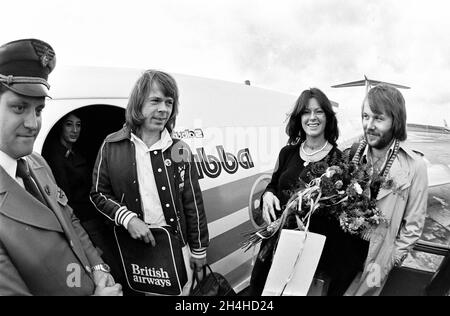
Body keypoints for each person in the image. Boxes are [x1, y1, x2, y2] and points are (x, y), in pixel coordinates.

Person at [0, 39, 122, 295]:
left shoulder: (37, 163)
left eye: (39, 109)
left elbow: (69, 221)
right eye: (19, 107)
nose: (33, 124)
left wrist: (98, 267)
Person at [90, 69, 209, 296]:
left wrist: (199, 250)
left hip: (178, 248)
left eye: (169, 102)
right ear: (138, 103)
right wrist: (128, 219)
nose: (163, 109)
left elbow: (193, 204)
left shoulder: (179, 149)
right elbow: (98, 194)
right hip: (137, 251)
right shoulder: (111, 145)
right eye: (155, 101)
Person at [249, 87, 346, 296]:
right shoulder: (287, 152)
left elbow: (338, 216)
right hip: (273, 244)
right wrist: (267, 194)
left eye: (319, 111)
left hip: (309, 254)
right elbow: (273, 184)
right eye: (306, 112)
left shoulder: (338, 161)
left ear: (327, 117)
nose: (312, 118)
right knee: (259, 289)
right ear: (299, 117)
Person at [344, 84, 427, 296]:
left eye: (378, 118)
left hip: (377, 260)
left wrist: (391, 259)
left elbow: (414, 224)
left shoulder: (414, 166)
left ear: (395, 121)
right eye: (365, 116)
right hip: (343, 252)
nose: (369, 125)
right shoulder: (352, 153)